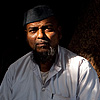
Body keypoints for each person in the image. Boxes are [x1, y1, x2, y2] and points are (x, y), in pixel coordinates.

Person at [0, 5, 100, 100]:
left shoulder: (81, 69)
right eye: (33, 30)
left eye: (47, 28)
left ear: (59, 33)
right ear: (26, 36)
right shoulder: (15, 71)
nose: (40, 35)